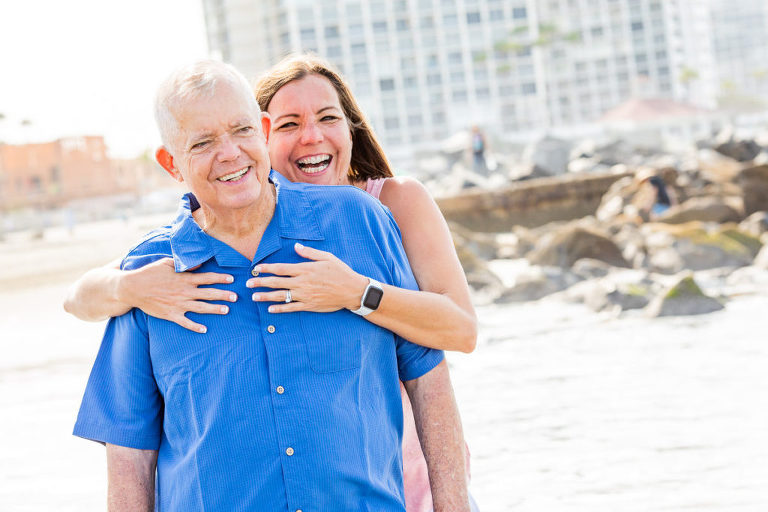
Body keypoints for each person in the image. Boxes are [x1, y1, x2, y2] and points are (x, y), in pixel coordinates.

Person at [65, 55, 478, 512]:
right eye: (202, 142)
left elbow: (430, 379)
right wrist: (123, 288)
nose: (229, 153)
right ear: (171, 164)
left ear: (261, 132)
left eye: (241, 130)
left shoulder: (361, 221)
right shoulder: (148, 275)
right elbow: (129, 457)